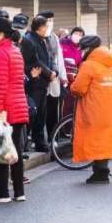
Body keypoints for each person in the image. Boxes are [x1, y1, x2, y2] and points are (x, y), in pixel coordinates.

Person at [0, 18, 29, 203]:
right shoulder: (14, 51)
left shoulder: (0, 54)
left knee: (0, 151)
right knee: (14, 150)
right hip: (17, 107)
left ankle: (2, 192)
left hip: (5, 110)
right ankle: (19, 191)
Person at [69, 36, 112, 184]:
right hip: (109, 110)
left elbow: (79, 89)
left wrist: (72, 86)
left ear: (88, 49)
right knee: (104, 141)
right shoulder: (110, 64)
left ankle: (100, 173)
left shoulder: (89, 65)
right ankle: (103, 171)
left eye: (82, 49)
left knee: (94, 141)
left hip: (93, 110)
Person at [21, 16, 56, 152]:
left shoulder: (43, 39)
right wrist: (48, 73)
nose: (47, 28)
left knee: (41, 114)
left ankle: (39, 142)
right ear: (39, 27)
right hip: (34, 82)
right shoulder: (29, 40)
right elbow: (35, 61)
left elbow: (50, 58)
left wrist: (53, 72)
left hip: (42, 82)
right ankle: (24, 144)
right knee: (32, 113)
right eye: (46, 26)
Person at [39, 11, 67, 144]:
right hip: (41, 79)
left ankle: (52, 137)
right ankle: (38, 140)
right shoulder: (33, 37)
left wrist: (62, 75)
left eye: (51, 20)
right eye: (47, 20)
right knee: (40, 112)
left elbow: (59, 58)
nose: (50, 23)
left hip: (54, 79)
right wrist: (48, 73)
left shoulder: (54, 37)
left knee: (52, 111)